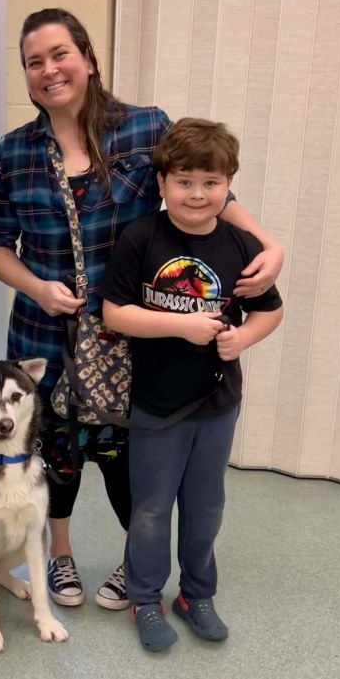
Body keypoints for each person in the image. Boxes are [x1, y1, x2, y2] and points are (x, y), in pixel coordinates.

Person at [0, 8, 283, 612]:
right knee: (54, 447)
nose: (48, 70)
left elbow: (212, 193)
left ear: (88, 59)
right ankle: (58, 555)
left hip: (139, 329)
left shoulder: (145, 129)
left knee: (131, 453)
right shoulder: (12, 154)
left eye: (60, 54)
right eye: (34, 62)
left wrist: (271, 245)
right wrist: (36, 287)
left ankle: (132, 562)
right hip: (47, 331)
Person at [100, 118, 283, 650]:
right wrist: (180, 324)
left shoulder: (243, 246)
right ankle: (144, 599)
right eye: (183, 181)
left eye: (210, 182)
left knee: (206, 506)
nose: (197, 194)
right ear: (162, 184)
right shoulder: (142, 237)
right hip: (155, 404)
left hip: (217, 402)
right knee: (152, 507)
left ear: (229, 186)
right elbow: (115, 313)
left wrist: (243, 339)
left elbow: (272, 312)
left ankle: (196, 594)